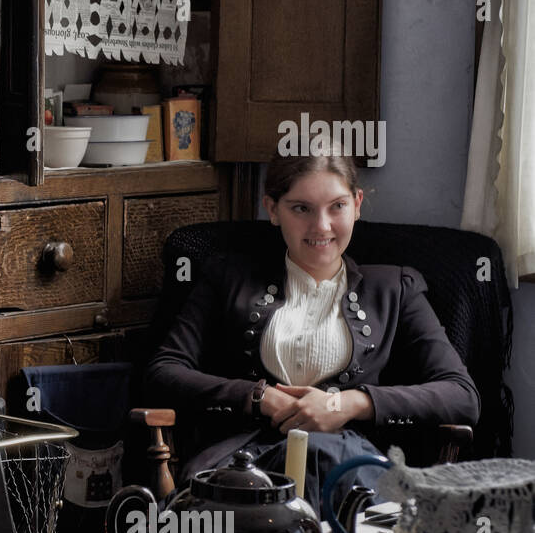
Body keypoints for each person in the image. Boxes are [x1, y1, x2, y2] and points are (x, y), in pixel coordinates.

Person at [144, 152, 481, 511]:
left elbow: (461, 396)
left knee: (322, 461)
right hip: (246, 462)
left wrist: (350, 403)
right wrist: (258, 397)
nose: (322, 226)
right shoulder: (227, 278)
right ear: (272, 209)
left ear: (357, 204)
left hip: (348, 466)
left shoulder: (395, 288)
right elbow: (163, 372)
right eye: (301, 209)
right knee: (221, 511)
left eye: (337, 206)